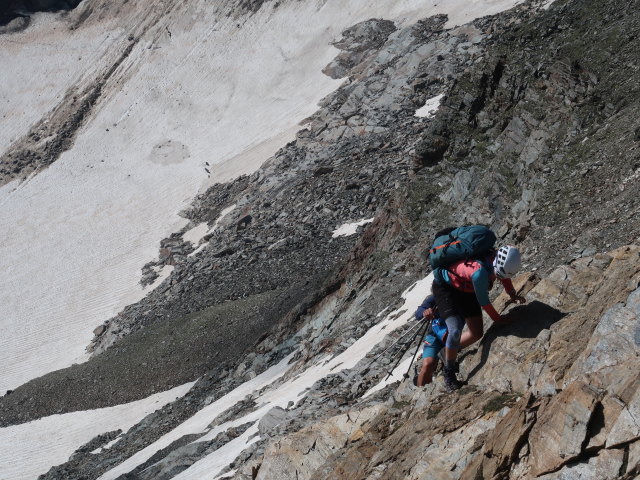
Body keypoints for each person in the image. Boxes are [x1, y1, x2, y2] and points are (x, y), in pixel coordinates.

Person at [432, 245, 526, 391]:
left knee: (476, 333)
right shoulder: (479, 273)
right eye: (497, 274)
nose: (497, 278)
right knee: (455, 329)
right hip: (446, 289)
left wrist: (512, 293)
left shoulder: (494, 260)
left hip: (466, 287)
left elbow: (504, 276)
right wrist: (499, 319)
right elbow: (485, 302)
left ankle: (446, 352)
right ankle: (448, 372)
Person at [413, 295, 448, 387]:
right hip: (434, 336)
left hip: (448, 334)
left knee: (429, 364)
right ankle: (421, 391)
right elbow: (418, 312)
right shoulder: (435, 298)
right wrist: (425, 312)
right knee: (428, 364)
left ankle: (422, 390)